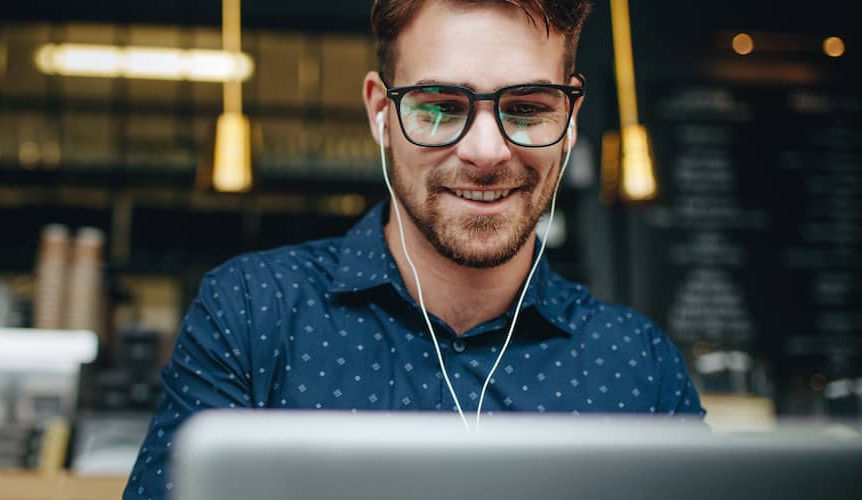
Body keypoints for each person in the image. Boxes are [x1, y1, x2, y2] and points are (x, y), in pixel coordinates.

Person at [123, 1, 704, 498]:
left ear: (571, 119)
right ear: (381, 113)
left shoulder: (638, 365)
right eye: (442, 107)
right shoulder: (253, 312)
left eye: (526, 109)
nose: (486, 151)